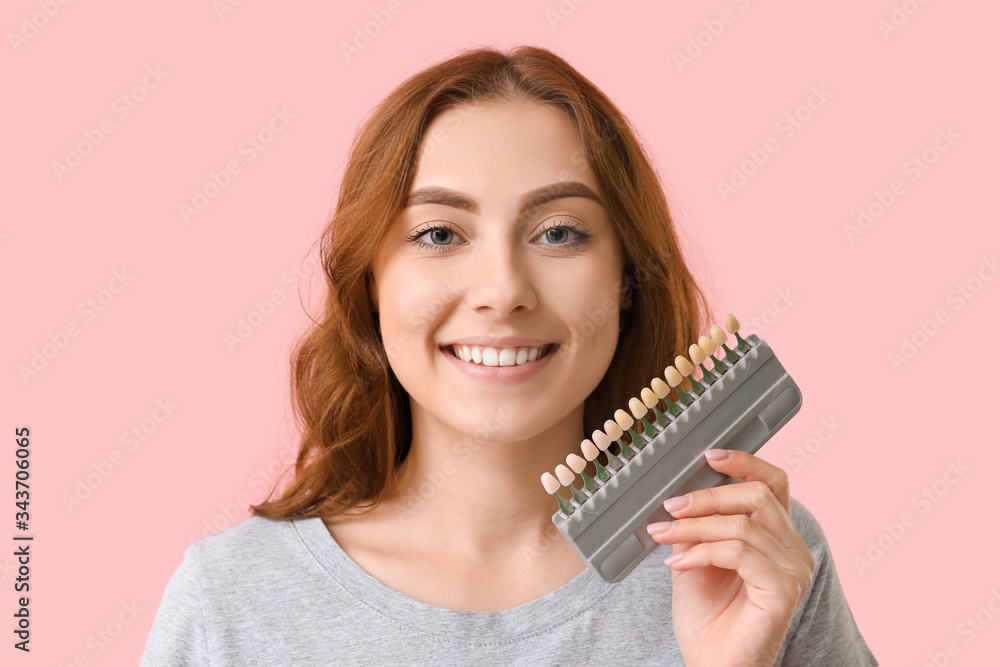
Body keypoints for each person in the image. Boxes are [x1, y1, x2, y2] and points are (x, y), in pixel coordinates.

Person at [140, 45, 877, 666]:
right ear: (371, 280)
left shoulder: (755, 558)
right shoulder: (232, 602)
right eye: (439, 233)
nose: (501, 290)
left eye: (558, 232)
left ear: (627, 278)